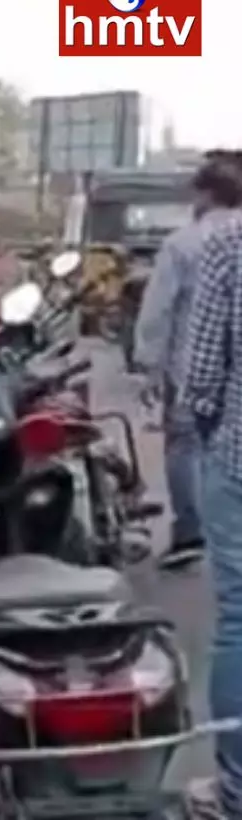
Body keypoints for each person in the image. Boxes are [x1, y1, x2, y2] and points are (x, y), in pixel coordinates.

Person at [175, 162, 242, 820]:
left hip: (239, 456)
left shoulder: (228, 243)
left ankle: (236, 792)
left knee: (241, 620)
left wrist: (204, 426)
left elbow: (199, 371)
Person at [133, 170, 225, 570]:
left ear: (205, 194)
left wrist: (148, 364)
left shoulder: (183, 243)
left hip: (189, 364)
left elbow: (158, 310)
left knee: (185, 445)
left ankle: (190, 531)